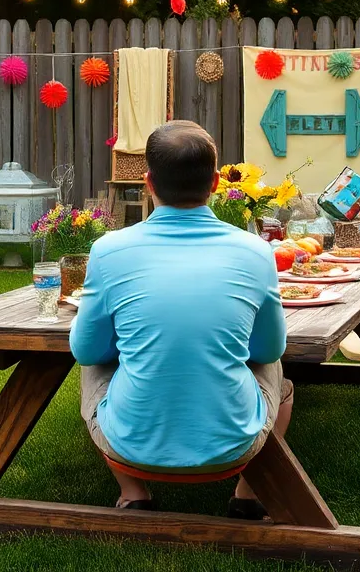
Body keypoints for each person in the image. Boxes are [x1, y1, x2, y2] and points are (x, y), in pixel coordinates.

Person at [70, 121, 292, 517]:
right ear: (216, 182)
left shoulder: (108, 250)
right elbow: (270, 349)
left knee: (93, 363)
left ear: (147, 182)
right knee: (275, 369)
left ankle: (133, 490)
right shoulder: (255, 252)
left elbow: (86, 351)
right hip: (236, 446)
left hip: (128, 446)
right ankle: (247, 494)